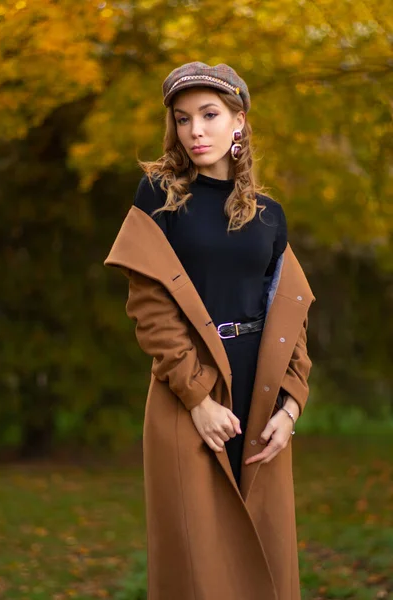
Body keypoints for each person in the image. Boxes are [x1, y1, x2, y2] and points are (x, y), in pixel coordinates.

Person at [104, 61, 316, 600]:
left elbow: (292, 315)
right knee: (197, 570)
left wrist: (290, 406)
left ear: (238, 122)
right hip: (187, 395)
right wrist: (198, 397)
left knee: (265, 558)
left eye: (210, 114)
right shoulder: (158, 196)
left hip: (261, 397)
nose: (195, 130)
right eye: (182, 119)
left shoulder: (270, 215)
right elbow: (149, 306)